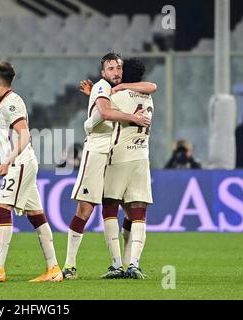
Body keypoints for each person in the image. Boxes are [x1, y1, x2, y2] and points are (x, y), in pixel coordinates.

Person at [62, 52, 156, 280]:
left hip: (118, 156)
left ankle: (123, 264)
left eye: (118, 68)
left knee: (122, 210)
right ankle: (70, 265)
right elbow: (103, 112)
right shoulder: (104, 88)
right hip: (97, 153)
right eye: (111, 69)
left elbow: (150, 86)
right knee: (86, 208)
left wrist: (96, 101)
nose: (115, 72)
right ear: (103, 72)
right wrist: (94, 103)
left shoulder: (117, 90)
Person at [0, 61, 63, 282]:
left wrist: (9, 160)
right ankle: (54, 270)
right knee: (37, 216)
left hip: (20, 163)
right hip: (22, 162)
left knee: (2, 209)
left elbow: (25, 135)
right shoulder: (3, 104)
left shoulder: (11, 103)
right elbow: (3, 134)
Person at [101, 58, 155, 279]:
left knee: (109, 207)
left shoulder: (118, 95)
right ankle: (133, 264)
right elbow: (152, 86)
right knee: (138, 211)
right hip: (142, 158)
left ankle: (116, 265)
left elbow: (103, 111)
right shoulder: (149, 98)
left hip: (119, 157)